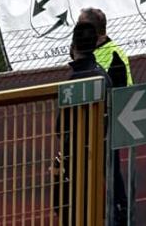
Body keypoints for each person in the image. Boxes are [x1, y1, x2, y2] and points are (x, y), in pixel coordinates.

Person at [55, 22, 112, 226]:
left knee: (68, 204)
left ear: (73, 46)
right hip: (100, 149)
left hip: (77, 155)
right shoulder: (103, 74)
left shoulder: (74, 80)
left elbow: (61, 127)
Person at [78, 8, 132, 225]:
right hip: (86, 123)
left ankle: (119, 211)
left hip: (106, 126)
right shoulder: (87, 51)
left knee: (109, 170)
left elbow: (123, 92)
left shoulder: (113, 55)